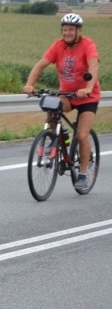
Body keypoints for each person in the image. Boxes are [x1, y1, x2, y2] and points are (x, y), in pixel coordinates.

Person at [23, 12, 100, 190]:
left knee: (81, 135)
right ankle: (61, 136)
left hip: (87, 96)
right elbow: (41, 64)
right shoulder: (58, 46)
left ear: (78, 30)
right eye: (64, 30)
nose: (67, 33)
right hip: (68, 94)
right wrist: (29, 85)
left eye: (71, 30)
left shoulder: (88, 44)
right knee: (51, 104)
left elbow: (93, 65)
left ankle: (82, 174)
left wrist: (88, 88)